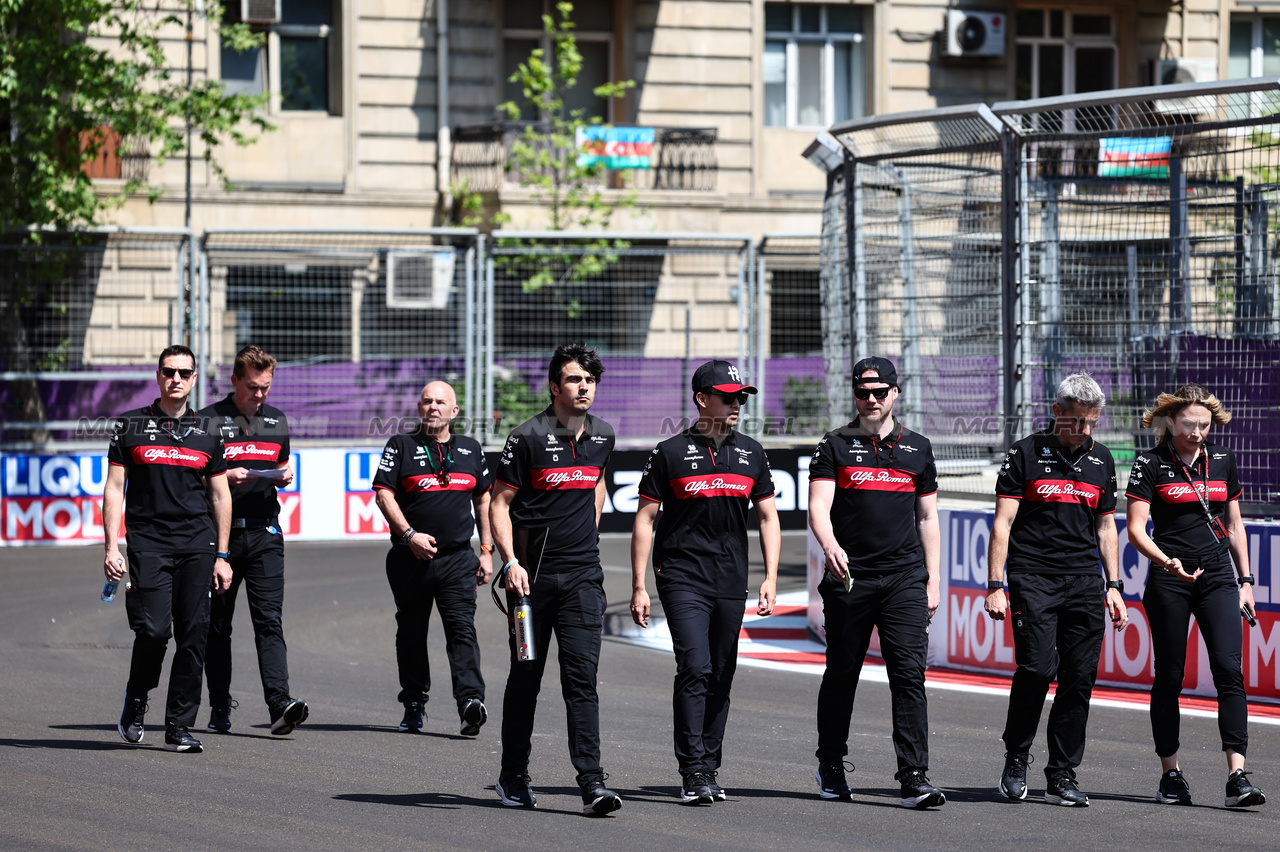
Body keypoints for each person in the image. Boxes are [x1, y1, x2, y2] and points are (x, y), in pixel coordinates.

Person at [630, 360, 781, 805]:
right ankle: (692, 769)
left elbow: (768, 517)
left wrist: (771, 576)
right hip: (681, 577)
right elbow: (645, 519)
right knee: (695, 667)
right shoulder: (670, 452)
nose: (737, 404)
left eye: (741, 397)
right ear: (702, 399)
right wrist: (639, 585)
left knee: (722, 673)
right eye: (728, 396)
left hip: (731, 580)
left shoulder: (753, 452)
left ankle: (710, 766)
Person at [490, 343, 622, 816]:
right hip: (531, 584)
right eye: (573, 379)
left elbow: (597, 482)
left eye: (589, 380)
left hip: (585, 579)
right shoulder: (525, 437)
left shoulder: (604, 435)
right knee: (525, 678)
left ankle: (592, 783)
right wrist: (510, 563)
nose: (583, 387)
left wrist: (590, 527)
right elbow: (498, 504)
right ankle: (512, 775)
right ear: (554, 386)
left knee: (581, 681)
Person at [984, 373, 1128, 807]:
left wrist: (1115, 585)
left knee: (1079, 677)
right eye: (1077, 421)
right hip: (1033, 577)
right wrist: (995, 585)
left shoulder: (1102, 459)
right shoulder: (1024, 453)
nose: (1085, 430)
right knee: (1037, 669)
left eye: (1092, 422)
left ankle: (1063, 773)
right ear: (1057, 413)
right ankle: (1016, 757)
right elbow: (1002, 523)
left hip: (1085, 582)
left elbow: (1107, 528)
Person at [807, 356, 945, 808]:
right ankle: (830, 762)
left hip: (905, 576)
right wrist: (828, 545)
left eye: (879, 392)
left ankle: (914, 776)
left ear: (895, 394)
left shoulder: (918, 448)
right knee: (843, 672)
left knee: (909, 675)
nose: (871, 400)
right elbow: (818, 508)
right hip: (851, 579)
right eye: (862, 392)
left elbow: (927, 517)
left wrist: (934, 580)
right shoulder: (834, 445)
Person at [1126, 383, 1265, 808]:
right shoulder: (1150, 462)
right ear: (1171, 420)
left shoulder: (1222, 460)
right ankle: (1171, 775)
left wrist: (1246, 580)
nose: (1198, 432)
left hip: (1219, 573)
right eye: (1190, 424)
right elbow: (1135, 530)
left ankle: (1237, 777)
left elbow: (1235, 524)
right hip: (1170, 576)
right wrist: (1167, 563)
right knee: (1170, 674)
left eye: (1205, 425)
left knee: (1229, 670)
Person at [103, 344, 233, 753]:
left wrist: (223, 555)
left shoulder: (210, 432)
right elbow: (114, 488)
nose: (175, 379)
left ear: (194, 378)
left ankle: (179, 725)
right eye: (168, 371)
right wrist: (111, 546)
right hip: (149, 544)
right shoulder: (130, 426)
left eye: (183, 372)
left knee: (194, 636)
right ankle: (136, 699)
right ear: (158, 376)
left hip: (198, 545)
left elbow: (220, 496)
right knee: (155, 632)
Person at [199, 345, 308, 737]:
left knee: (269, 622)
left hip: (265, 532)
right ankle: (218, 704)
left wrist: (282, 475)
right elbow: (192, 476)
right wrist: (225, 477)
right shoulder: (206, 421)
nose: (259, 395)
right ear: (234, 381)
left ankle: (280, 704)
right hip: (218, 537)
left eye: (265, 387)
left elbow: (281, 465)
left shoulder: (277, 421)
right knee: (217, 626)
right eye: (252, 387)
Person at [373, 380, 493, 737]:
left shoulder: (471, 449)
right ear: (419, 407)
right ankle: (413, 704)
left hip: (458, 560)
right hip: (408, 559)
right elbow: (383, 495)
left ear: (454, 412)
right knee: (411, 633)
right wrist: (409, 535)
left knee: (462, 631)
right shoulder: (401, 445)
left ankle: (470, 704)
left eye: (441, 402)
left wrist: (486, 551)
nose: (433, 407)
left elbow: (485, 500)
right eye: (427, 401)